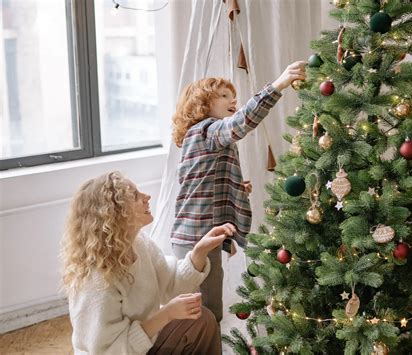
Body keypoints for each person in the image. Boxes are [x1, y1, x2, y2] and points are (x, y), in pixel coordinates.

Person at [170, 61, 307, 322]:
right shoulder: (206, 130)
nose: (232, 100)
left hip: (202, 234)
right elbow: (241, 123)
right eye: (224, 96)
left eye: (234, 97)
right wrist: (278, 84)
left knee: (210, 309)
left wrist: (235, 186)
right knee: (203, 314)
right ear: (201, 103)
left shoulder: (205, 137)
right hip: (195, 237)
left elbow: (203, 180)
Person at [61, 171, 236, 354]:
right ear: (116, 213)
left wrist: (199, 252)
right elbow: (108, 351)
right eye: (135, 196)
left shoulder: (138, 243)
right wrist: (166, 314)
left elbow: (172, 285)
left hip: (144, 344)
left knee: (202, 319)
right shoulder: (96, 280)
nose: (147, 197)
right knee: (196, 321)